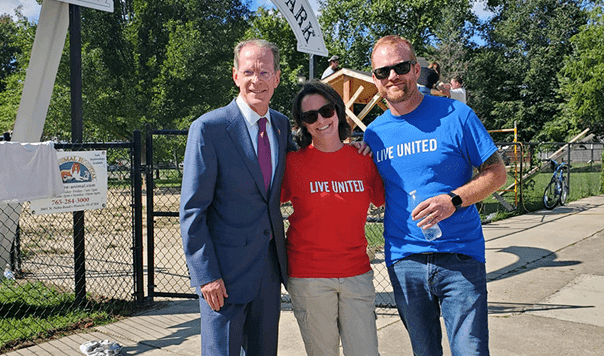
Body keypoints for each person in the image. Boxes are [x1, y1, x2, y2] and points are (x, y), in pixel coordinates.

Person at [363, 35, 507, 356]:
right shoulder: (373, 134)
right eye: (383, 71)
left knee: (470, 351)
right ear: (375, 79)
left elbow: (497, 173)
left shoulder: (456, 115)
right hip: (405, 262)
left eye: (400, 67)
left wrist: (453, 200)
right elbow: (369, 192)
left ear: (416, 69)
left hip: (460, 257)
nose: (392, 77)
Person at [179, 38, 294, 356]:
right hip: (223, 278)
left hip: (268, 273)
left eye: (265, 72)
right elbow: (192, 210)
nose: (257, 80)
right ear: (235, 76)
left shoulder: (282, 126)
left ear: (277, 77)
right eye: (249, 72)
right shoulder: (209, 128)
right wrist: (206, 275)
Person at [281, 81, 385, 356]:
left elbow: (389, 197)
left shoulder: (364, 159)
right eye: (310, 116)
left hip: (356, 274)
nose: (321, 120)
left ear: (338, 111)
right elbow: (259, 200)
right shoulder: (293, 163)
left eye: (326, 111)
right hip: (308, 277)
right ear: (303, 124)